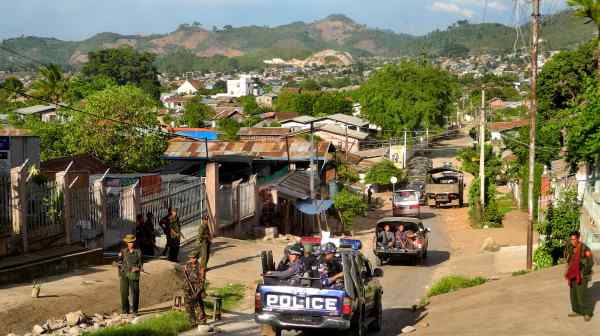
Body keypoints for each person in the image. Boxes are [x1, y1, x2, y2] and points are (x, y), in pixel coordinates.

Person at [565, 231, 594, 321]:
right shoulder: (570, 247)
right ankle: (577, 310)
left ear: (578, 239)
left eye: (574, 239)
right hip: (572, 274)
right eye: (571, 239)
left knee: (582, 295)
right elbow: (569, 259)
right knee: (573, 294)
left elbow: (590, 263)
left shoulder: (585, 249)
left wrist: (583, 273)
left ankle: (587, 313)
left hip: (582, 275)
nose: (572, 241)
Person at [118, 234, 143, 316]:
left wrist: (137, 268)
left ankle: (135, 311)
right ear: (126, 242)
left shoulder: (138, 251)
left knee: (135, 292)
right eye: (129, 242)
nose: (130, 244)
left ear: (134, 242)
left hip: (134, 274)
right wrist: (120, 266)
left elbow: (140, 264)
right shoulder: (123, 251)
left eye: (132, 242)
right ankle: (125, 310)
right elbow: (119, 262)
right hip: (124, 274)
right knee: (124, 292)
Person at [181, 250, 206, 325]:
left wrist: (197, 292)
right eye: (191, 258)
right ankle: (192, 321)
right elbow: (185, 276)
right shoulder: (187, 265)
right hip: (187, 288)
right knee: (188, 305)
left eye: (193, 258)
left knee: (198, 305)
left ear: (197, 258)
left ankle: (201, 321)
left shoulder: (200, 267)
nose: (192, 259)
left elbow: (202, 281)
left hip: (196, 289)